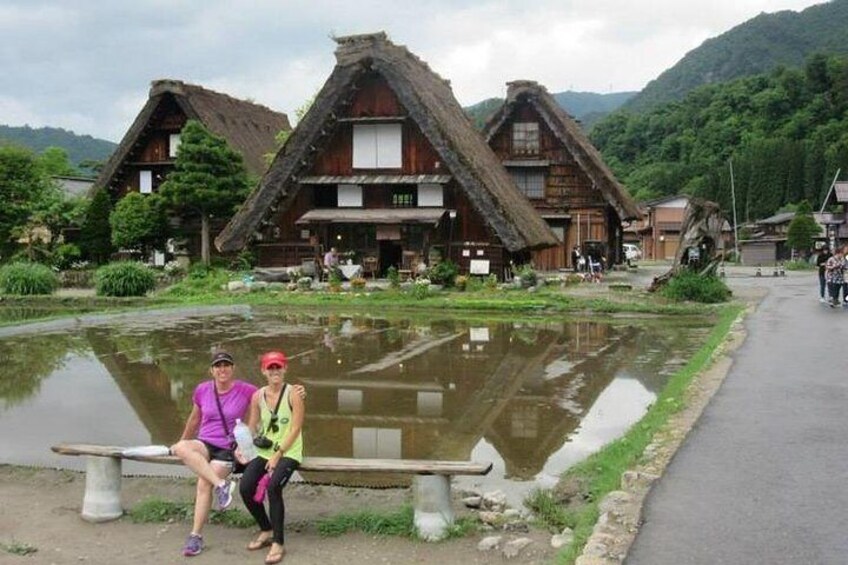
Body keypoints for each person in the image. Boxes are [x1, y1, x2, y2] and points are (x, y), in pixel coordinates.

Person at [170, 351, 257, 557]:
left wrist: (296, 392)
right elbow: (194, 420)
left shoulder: (246, 390)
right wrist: (181, 441)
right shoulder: (202, 390)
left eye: (226, 365)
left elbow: (271, 395)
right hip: (204, 442)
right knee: (182, 447)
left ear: (233, 368)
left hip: (227, 448)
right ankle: (222, 485)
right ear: (212, 370)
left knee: (203, 483)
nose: (222, 369)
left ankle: (195, 536)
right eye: (218, 366)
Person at [239, 351, 304, 565]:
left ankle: (278, 542)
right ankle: (266, 529)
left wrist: (278, 455)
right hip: (265, 451)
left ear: (285, 369)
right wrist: (242, 447)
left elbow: (295, 428)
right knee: (246, 487)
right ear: (263, 371)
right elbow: (252, 425)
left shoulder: (293, 393)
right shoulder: (258, 396)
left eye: (278, 367)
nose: (274, 371)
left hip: (289, 451)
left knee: (273, 487)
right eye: (270, 368)